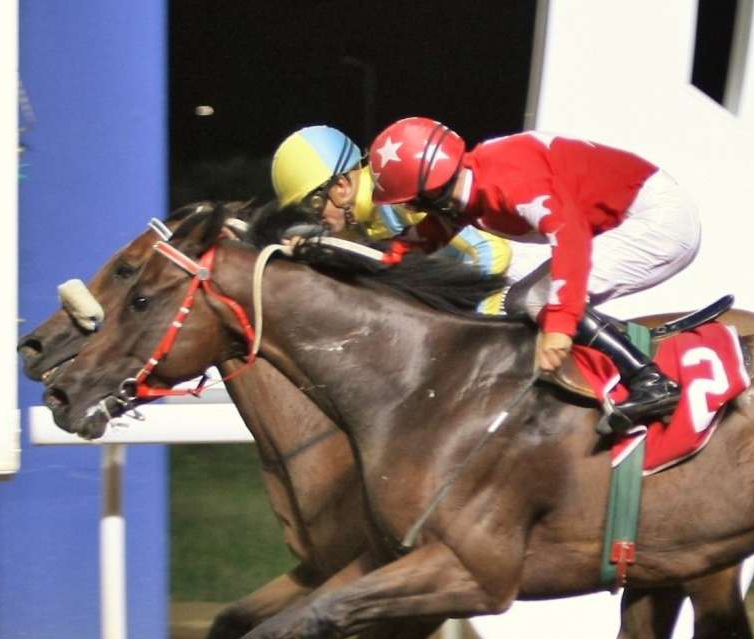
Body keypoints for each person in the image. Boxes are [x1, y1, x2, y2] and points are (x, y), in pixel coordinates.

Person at [365, 117, 701, 427]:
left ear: (432, 189)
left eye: (414, 201)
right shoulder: (472, 180)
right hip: (628, 217)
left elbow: (571, 239)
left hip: (659, 221)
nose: (410, 208)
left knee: (541, 300)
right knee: (518, 301)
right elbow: (441, 225)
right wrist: (389, 256)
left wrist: (560, 326)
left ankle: (650, 380)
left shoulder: (510, 182)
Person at [270, 125, 541, 316]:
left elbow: (491, 251)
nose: (315, 218)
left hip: (522, 269)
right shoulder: (355, 221)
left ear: (341, 186)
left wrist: (476, 323)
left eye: (313, 205)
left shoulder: (396, 195)